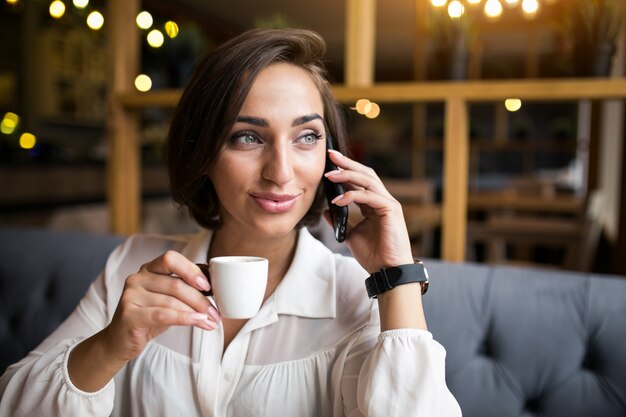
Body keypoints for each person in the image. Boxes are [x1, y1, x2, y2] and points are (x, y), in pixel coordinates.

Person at [0, 28, 461, 416]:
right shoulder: (135, 266)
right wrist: (111, 345)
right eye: (246, 136)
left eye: (306, 136)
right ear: (202, 153)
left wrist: (397, 279)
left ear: (330, 156)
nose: (280, 172)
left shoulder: (357, 297)